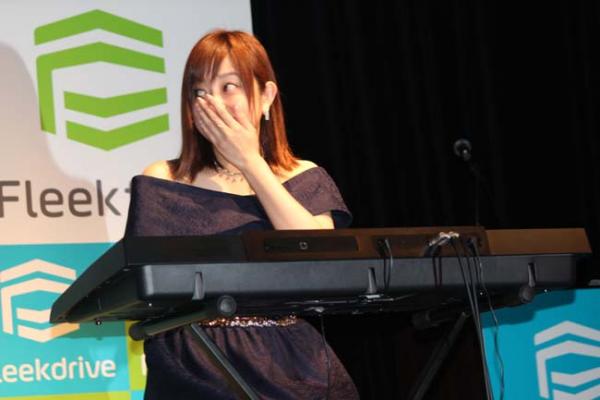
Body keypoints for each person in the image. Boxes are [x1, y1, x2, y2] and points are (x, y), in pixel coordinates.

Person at [126, 29, 359, 399]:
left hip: (290, 360)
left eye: (228, 87)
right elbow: (144, 291)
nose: (213, 103)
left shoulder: (304, 176)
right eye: (199, 92)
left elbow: (319, 260)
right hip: (195, 360)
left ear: (265, 96)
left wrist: (251, 163)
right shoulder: (165, 179)